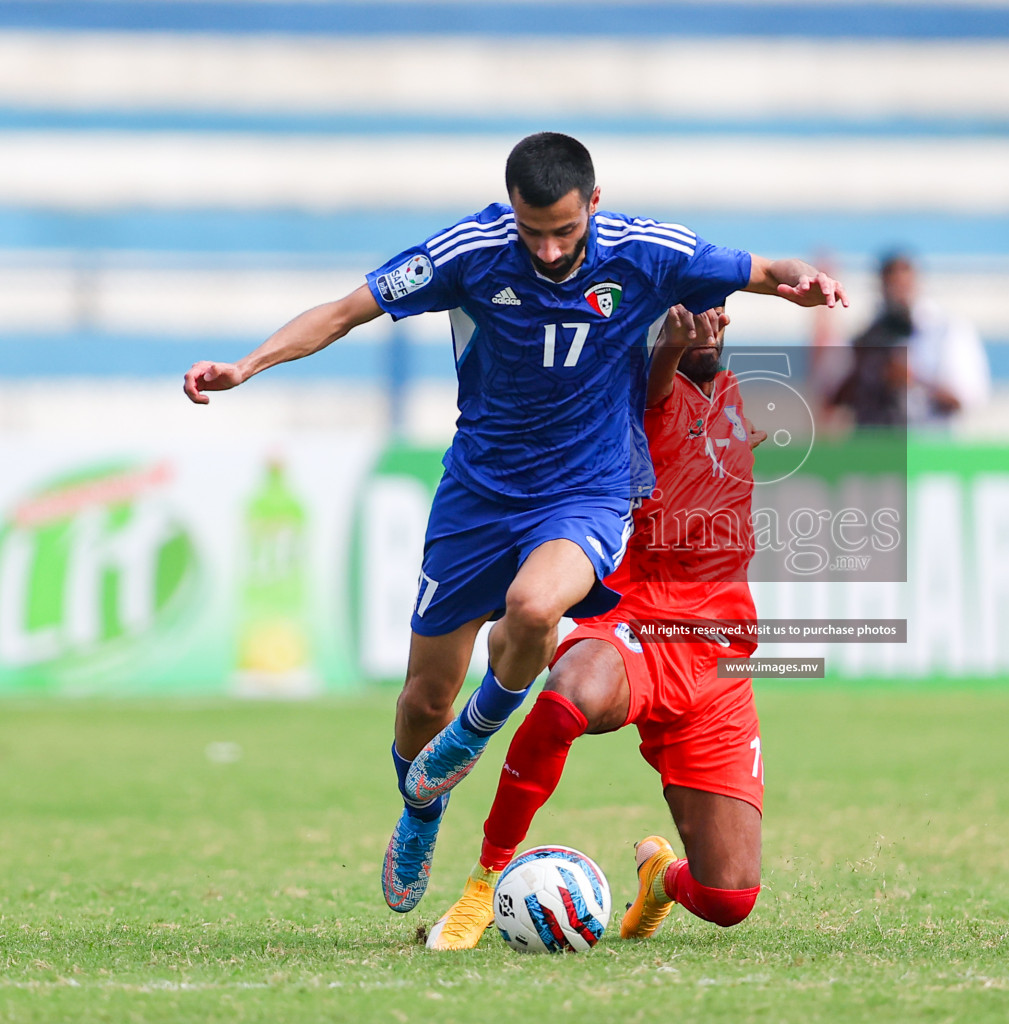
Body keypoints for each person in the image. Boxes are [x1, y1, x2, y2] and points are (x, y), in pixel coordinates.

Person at [181, 133, 846, 914]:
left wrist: (803, 283)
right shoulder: (471, 250)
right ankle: (422, 806)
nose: (550, 249)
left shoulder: (645, 251)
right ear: (513, 213)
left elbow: (763, 270)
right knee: (424, 700)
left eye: (565, 231)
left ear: (593, 205)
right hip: (480, 490)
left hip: (588, 491)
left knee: (535, 608)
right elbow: (344, 310)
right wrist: (247, 367)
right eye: (534, 233)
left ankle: (474, 733)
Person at [422, 304, 768, 950]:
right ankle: (483, 880)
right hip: (636, 621)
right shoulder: (639, 387)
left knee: (729, 897)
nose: (709, 323)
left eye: (717, 310)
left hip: (718, 660)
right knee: (565, 699)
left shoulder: (734, 395)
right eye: (692, 311)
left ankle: (661, 876)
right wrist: (667, 348)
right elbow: (659, 383)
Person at [879, 252, 989, 428]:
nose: (897, 295)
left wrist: (913, 380)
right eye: (891, 287)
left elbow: (966, 399)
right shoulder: (872, 334)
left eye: (902, 286)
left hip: (933, 444)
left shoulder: (950, 330)